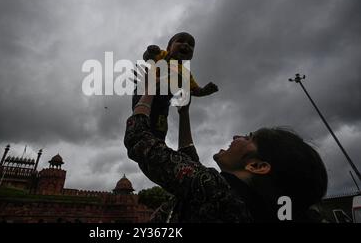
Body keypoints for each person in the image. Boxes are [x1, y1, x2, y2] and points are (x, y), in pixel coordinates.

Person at [125, 82, 328, 222]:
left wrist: (148, 92)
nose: (236, 137)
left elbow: (140, 141)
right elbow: (190, 164)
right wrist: (184, 114)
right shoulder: (246, 204)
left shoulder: (217, 193)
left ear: (257, 166)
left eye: (248, 138)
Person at [132, 32, 218, 141]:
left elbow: (195, 90)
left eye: (191, 45)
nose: (186, 45)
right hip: (146, 92)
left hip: (163, 102)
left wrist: (205, 91)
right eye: (181, 41)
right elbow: (147, 57)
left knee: (160, 126)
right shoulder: (163, 55)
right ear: (168, 47)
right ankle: (139, 129)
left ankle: (158, 140)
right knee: (142, 118)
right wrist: (151, 51)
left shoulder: (186, 73)